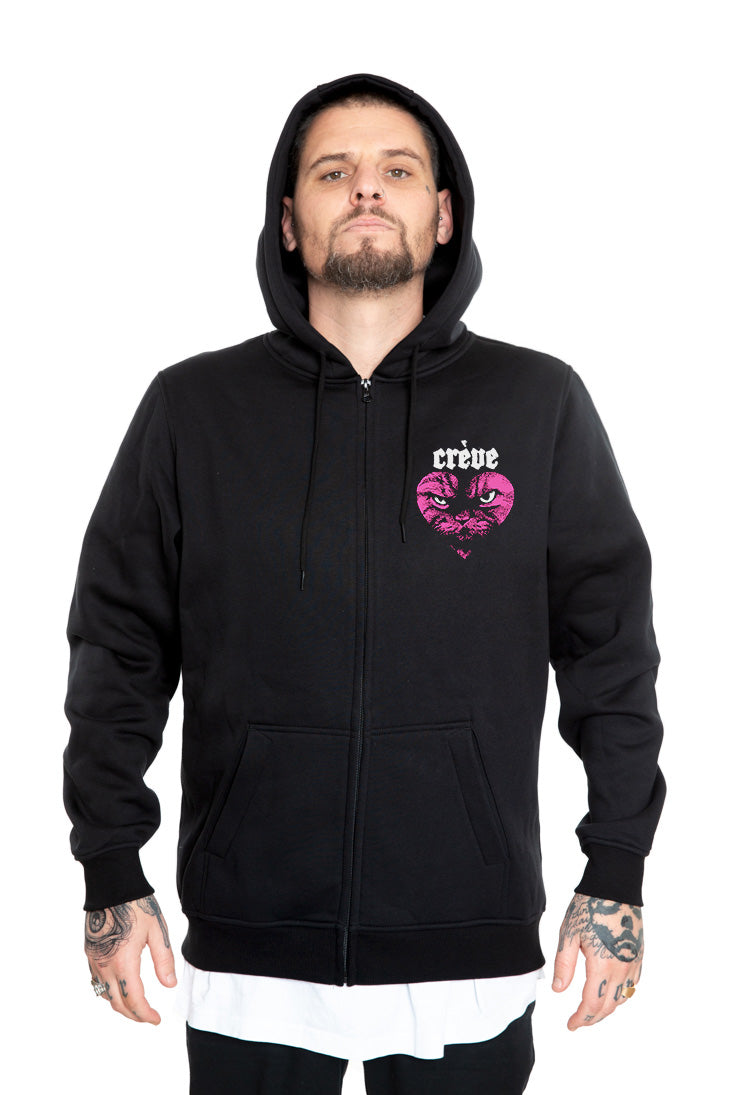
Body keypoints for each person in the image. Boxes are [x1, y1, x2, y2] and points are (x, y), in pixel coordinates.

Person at [63, 72, 666, 1094]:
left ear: (443, 214)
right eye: (333, 172)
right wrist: (111, 865)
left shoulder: (538, 403)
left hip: (467, 948)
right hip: (251, 952)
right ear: (287, 221)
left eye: (397, 170)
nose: (366, 189)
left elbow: (610, 650)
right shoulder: (193, 409)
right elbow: (118, 649)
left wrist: (615, 867)